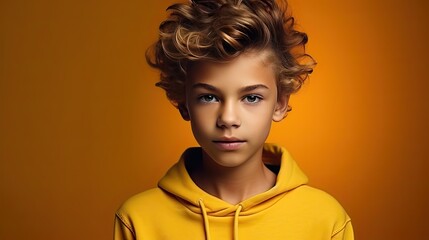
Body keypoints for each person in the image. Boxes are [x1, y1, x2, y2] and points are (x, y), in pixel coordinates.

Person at [114, 0, 354, 239]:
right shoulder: (138, 220)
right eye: (208, 97)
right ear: (183, 103)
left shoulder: (325, 220)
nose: (228, 119)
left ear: (280, 104)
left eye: (251, 98)